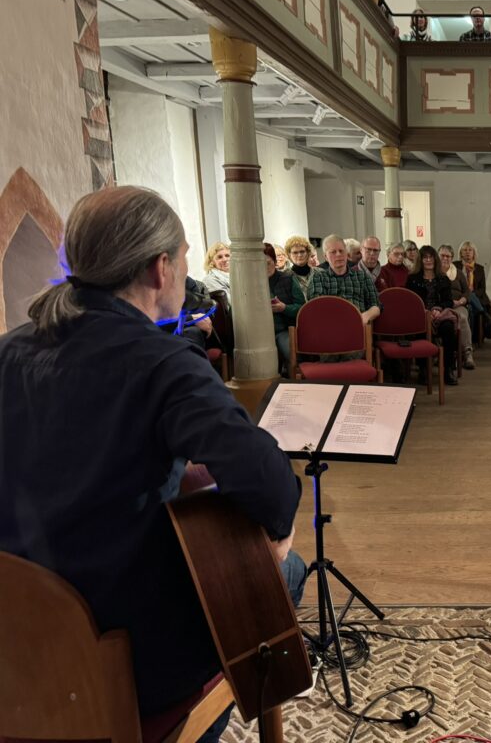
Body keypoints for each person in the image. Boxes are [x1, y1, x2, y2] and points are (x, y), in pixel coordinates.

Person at [0, 187, 305, 741]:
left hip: (13, 641)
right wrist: (277, 534)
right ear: (160, 267)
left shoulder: (8, 350)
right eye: (186, 257)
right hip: (114, 651)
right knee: (282, 572)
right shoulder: (162, 364)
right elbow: (269, 485)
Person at [406, 245, 459, 387]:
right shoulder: (412, 279)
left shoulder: (443, 278)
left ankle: (448, 369)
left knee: (448, 328)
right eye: (425, 257)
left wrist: (438, 309)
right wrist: (424, 312)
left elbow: (448, 300)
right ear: (420, 260)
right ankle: (423, 369)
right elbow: (410, 301)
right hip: (420, 315)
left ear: (435, 259)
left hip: (439, 314)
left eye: (431, 257)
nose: (428, 260)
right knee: (420, 330)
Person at [307, 234, 381, 324]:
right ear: (326, 257)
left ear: (347, 254)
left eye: (341, 251)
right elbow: (317, 306)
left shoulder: (362, 276)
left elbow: (376, 305)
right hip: (330, 326)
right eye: (333, 252)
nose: (338, 254)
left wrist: (365, 316)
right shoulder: (319, 277)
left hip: (358, 325)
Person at [266, 242, 303, 373]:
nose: (264, 268)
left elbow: (301, 308)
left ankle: (294, 380)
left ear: (275, 261)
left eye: (268, 263)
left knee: (290, 350)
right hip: (260, 332)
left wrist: (284, 308)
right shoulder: (250, 282)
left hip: (284, 329)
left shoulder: (287, 278)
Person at [439, 244, 475, 370]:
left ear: (452, 258)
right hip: (442, 305)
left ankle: (467, 353)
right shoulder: (435, 273)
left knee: (462, 318)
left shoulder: (458, 273)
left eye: (448, 256)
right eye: (442, 255)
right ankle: (445, 354)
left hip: (458, 305)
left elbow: (467, 292)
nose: (445, 258)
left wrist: (460, 301)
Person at [455, 241, 491, 342]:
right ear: (461, 253)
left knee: (471, 306)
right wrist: (466, 294)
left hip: (476, 297)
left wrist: (472, 294)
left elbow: (482, 289)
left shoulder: (480, 268)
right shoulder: (455, 266)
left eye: (470, 250)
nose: (467, 252)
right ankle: (484, 314)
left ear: (474, 253)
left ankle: (471, 339)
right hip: (460, 296)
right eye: (465, 250)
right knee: (469, 299)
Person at [284, 235, 316, 300]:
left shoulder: (319, 273)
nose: (299, 255)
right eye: (295, 252)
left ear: (308, 253)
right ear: (289, 255)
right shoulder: (284, 276)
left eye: (302, 251)